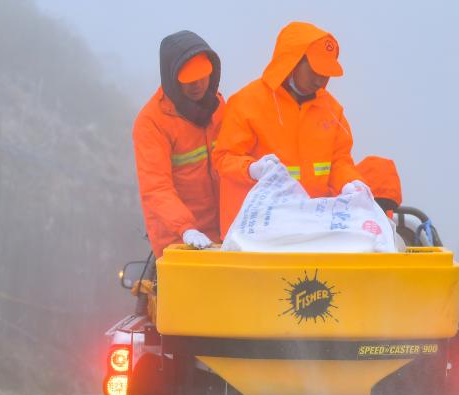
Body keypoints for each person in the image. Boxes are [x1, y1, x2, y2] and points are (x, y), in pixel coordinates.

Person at [213, 21, 365, 235]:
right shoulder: (247, 102)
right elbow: (224, 159)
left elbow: (339, 160)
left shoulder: (332, 111)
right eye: (315, 69)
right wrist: (251, 168)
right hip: (254, 231)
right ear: (292, 62)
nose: (320, 78)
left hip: (309, 230)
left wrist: (351, 183)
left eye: (326, 71)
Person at [133, 30, 225, 258]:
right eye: (188, 80)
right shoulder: (151, 122)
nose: (197, 85)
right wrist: (186, 228)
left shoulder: (217, 106)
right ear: (171, 78)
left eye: (202, 76)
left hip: (223, 233)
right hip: (177, 241)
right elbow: (156, 188)